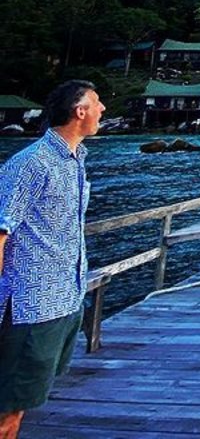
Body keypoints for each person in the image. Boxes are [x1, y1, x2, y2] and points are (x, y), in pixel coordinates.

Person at [0, 80, 105, 439]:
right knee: (8, 408)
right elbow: (1, 230)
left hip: (65, 299)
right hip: (31, 304)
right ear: (80, 111)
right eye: (97, 102)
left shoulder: (75, 160)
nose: (103, 109)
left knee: (22, 403)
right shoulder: (32, 163)